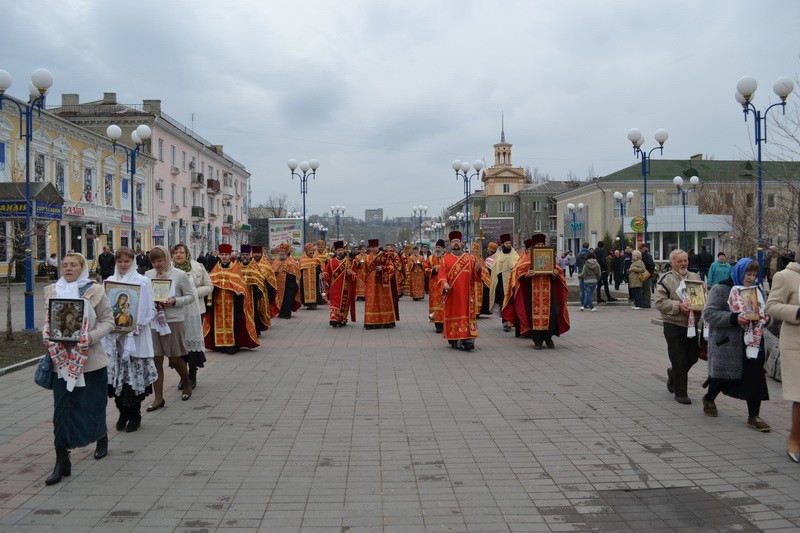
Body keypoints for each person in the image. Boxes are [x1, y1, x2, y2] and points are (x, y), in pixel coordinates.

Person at [42, 252, 115, 485]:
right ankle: (62, 459)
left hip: (90, 361)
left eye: (74, 264)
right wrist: (46, 334)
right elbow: (48, 322)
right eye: (64, 265)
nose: (68, 268)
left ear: (83, 267)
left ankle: (101, 437)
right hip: (61, 362)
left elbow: (108, 321)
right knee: (61, 411)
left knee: (92, 405)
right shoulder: (52, 291)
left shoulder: (95, 291)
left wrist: (89, 337)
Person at [702, 258, 771, 431]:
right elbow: (709, 314)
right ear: (739, 272)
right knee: (721, 378)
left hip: (753, 342)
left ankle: (754, 416)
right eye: (748, 274)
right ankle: (709, 398)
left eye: (754, 275)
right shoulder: (721, 289)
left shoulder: (757, 291)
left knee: (755, 378)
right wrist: (733, 318)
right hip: (728, 343)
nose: (751, 278)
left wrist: (767, 319)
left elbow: (763, 312)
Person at [102, 247, 158, 434]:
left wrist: (138, 326)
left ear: (132, 262)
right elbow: (106, 310)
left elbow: (150, 309)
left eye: (126, 261)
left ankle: (135, 414)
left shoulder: (142, 281)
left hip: (136, 338)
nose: (123, 265)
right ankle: (122, 412)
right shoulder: (110, 282)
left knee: (134, 380)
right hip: (115, 340)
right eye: (119, 262)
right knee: (117, 380)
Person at [144, 245, 197, 410]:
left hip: (173, 320)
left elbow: (190, 296)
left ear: (167, 258)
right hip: (154, 322)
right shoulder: (147, 275)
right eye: (154, 261)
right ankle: (158, 398)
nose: (157, 264)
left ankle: (187, 382)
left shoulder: (180, 275)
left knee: (175, 358)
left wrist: (174, 301)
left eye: (160, 260)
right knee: (156, 359)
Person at [502, 234, 570, 349]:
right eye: (538, 245)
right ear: (534, 246)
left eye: (542, 244)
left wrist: (555, 275)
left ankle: (548, 338)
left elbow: (558, 274)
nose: (540, 246)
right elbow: (520, 273)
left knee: (552, 315)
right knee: (533, 316)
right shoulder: (528, 258)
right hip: (533, 293)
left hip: (549, 293)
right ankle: (537, 341)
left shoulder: (549, 256)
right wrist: (527, 275)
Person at [765, 245, 800, 462]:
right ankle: (795, 438)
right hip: (797, 342)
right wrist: (797, 311)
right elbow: (772, 306)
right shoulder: (785, 276)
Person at [655, 249, 701, 405]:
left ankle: (673, 374)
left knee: (693, 356)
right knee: (679, 359)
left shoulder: (695, 277)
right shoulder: (665, 280)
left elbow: (702, 297)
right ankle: (681, 393)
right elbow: (660, 303)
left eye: (685, 260)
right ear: (672, 263)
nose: (683, 263)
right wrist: (678, 306)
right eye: (679, 261)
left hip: (692, 324)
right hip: (673, 323)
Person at [204, 243, 259, 354]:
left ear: (230, 256)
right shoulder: (216, 269)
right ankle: (220, 345)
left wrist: (239, 292)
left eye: (226, 254)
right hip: (218, 302)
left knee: (233, 322)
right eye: (222, 254)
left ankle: (232, 345)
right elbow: (210, 284)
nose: (224, 257)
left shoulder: (235, 268)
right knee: (218, 322)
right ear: (219, 255)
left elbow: (241, 284)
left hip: (233, 302)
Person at [172, 243, 213, 389]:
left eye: (181, 252)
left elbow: (209, 285)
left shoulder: (197, 267)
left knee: (192, 344)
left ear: (186, 253)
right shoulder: (169, 270)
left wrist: (194, 293)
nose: (178, 255)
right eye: (175, 252)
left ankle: (192, 374)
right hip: (176, 312)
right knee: (179, 345)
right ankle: (183, 376)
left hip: (195, 310)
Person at [438, 231, 483, 351]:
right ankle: (455, 340)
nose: (456, 244)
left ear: (462, 243)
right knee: (453, 314)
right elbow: (441, 276)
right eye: (453, 242)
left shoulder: (470, 259)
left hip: (467, 295)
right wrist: (445, 283)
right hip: (453, 295)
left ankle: (468, 340)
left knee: (467, 316)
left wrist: (478, 270)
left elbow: (477, 277)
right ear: (450, 244)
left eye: (458, 241)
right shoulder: (445, 260)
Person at [362, 239, 399, 329]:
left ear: (378, 247)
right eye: (371, 247)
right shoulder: (366, 257)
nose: (373, 249)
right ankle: (371, 321)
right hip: (371, 284)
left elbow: (391, 268)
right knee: (372, 302)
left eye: (374, 247)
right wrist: (365, 281)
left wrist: (382, 268)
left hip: (382, 284)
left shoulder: (385, 256)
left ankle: (386, 321)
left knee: (384, 302)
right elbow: (364, 271)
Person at [488, 234, 519, 332]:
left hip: (512, 284)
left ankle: (512, 321)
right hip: (501, 284)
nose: (508, 244)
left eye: (509, 243)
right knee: (503, 303)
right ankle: (505, 322)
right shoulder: (499, 256)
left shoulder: (515, 255)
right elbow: (495, 270)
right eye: (506, 243)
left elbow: (518, 267)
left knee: (512, 303)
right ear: (503, 244)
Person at [322, 241, 357, 327]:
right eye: (338, 250)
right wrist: (324, 275)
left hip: (346, 287)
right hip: (334, 287)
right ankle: (334, 319)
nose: (340, 251)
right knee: (334, 303)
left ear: (344, 251)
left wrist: (351, 273)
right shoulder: (331, 262)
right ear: (335, 251)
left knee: (344, 304)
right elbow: (327, 272)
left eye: (341, 250)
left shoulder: (351, 261)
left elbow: (356, 275)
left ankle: (342, 319)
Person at [240, 244, 272, 335]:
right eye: (243, 255)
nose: (245, 256)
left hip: (253, 295)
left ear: (249, 255)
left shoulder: (254, 266)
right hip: (241, 295)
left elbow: (259, 280)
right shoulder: (237, 267)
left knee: (254, 312)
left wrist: (258, 294)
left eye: (246, 254)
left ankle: (255, 330)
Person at [271, 243, 302, 318]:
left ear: (287, 253)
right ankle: (280, 312)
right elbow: (272, 272)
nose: (281, 253)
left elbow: (296, 273)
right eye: (280, 251)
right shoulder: (275, 262)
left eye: (283, 252)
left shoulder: (292, 263)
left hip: (289, 285)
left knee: (287, 300)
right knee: (278, 299)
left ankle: (287, 314)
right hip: (278, 285)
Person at [424, 239, 446, 333]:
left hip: (445, 286)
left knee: (445, 304)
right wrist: (433, 271)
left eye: (439, 247)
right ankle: (438, 325)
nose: (437, 249)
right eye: (436, 247)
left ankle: (445, 323)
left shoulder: (448, 257)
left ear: (443, 249)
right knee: (435, 305)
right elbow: (425, 268)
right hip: (434, 286)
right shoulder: (431, 258)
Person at [299, 243, 325, 310]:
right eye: (309, 251)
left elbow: (320, 268)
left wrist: (321, 273)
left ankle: (314, 304)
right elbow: (299, 269)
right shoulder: (302, 260)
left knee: (316, 290)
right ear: (306, 252)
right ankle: (307, 304)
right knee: (305, 291)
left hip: (314, 279)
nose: (311, 252)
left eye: (311, 251)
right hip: (305, 280)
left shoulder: (316, 259)